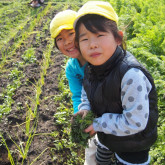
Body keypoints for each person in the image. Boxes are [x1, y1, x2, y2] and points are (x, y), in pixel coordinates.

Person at [74, 1, 158, 165]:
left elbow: (135, 122)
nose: (92, 44)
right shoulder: (91, 67)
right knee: (101, 159)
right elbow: (86, 89)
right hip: (108, 135)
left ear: (118, 38)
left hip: (133, 144)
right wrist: (85, 108)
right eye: (84, 39)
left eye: (99, 35)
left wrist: (97, 124)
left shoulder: (131, 75)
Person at [49, 10, 97, 165]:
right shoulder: (71, 68)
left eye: (71, 34)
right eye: (60, 39)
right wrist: (80, 116)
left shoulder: (98, 57)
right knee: (92, 150)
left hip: (111, 109)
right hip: (89, 107)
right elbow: (77, 94)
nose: (67, 42)